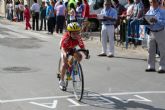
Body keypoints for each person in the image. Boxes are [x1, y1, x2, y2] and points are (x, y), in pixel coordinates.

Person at [59, 22, 85, 90]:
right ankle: (61, 80)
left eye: (77, 33)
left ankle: (72, 66)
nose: (76, 35)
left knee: (79, 56)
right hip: (64, 48)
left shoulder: (78, 37)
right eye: (73, 33)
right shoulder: (66, 38)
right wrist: (65, 55)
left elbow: (82, 48)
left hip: (71, 48)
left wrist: (86, 54)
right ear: (69, 33)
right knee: (65, 64)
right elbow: (63, 50)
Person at [145, 0, 165, 73]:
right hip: (151, 32)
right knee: (150, 49)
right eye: (151, 2)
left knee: (162, 50)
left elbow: (163, 23)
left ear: (157, 2)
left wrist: (156, 21)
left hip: (160, 31)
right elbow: (146, 24)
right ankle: (151, 66)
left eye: (154, 2)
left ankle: (162, 66)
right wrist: (146, 21)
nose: (152, 3)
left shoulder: (162, 12)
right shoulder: (149, 12)